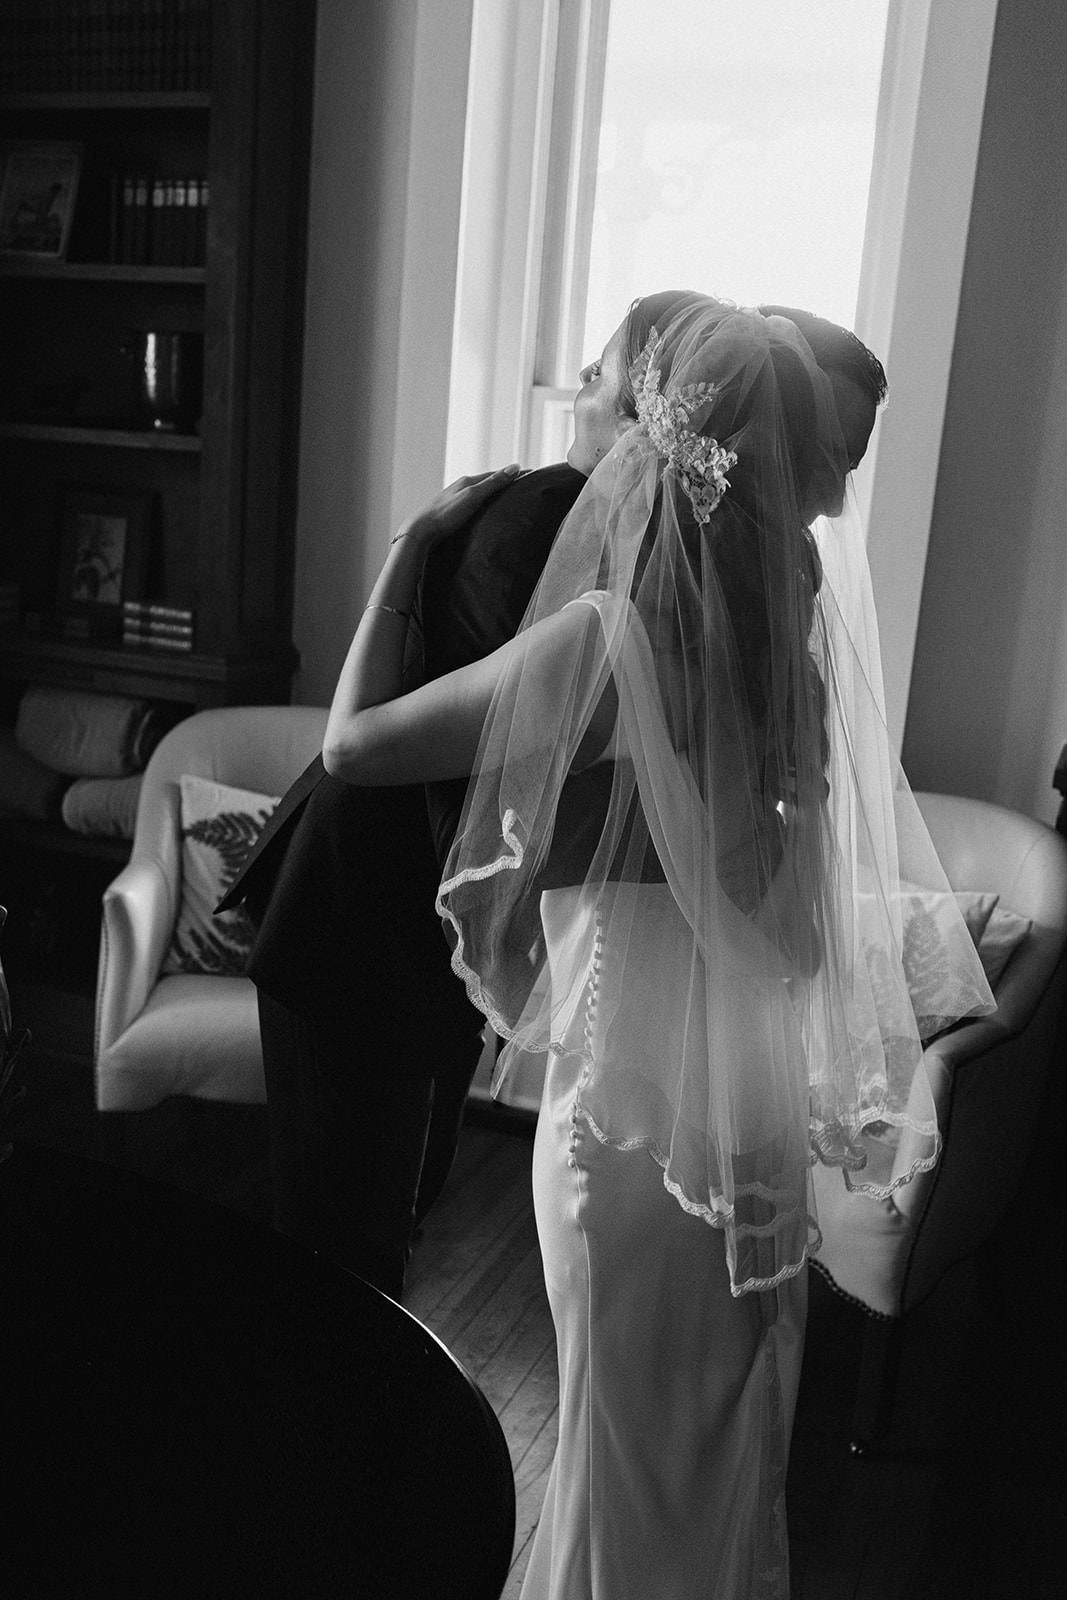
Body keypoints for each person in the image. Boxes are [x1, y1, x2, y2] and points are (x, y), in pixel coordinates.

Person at [320, 294, 994, 1597]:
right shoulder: (779, 668)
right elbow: (788, 931)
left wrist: (411, 545)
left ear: (663, 454)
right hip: (733, 1141)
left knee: (619, 1466)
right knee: (685, 1473)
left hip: (620, 1143)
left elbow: (349, 747)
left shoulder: (609, 646)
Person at [219, 297, 889, 1306]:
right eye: (803, 450)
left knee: (382, 1232)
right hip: (367, 916)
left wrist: (407, 548)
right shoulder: (554, 538)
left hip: (518, 981)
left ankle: (370, 1420)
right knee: (344, 1243)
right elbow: (423, 756)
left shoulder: (662, 617)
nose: (815, 487)